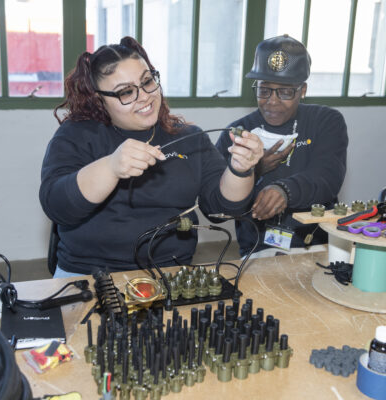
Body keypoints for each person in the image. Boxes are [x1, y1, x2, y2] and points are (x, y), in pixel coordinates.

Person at [40, 36, 263, 277]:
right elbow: (57, 205)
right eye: (125, 92)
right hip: (89, 275)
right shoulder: (77, 134)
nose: (145, 96)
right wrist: (111, 167)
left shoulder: (189, 138)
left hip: (172, 274)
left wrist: (241, 169)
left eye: (147, 81)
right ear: (99, 100)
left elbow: (222, 210)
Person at [216, 34, 348, 257]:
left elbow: (328, 177)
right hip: (258, 247)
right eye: (264, 90)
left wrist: (285, 190)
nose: (272, 101)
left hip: (313, 244)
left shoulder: (325, 121)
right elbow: (217, 206)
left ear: (302, 90)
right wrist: (253, 170)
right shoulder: (237, 133)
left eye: (285, 91)